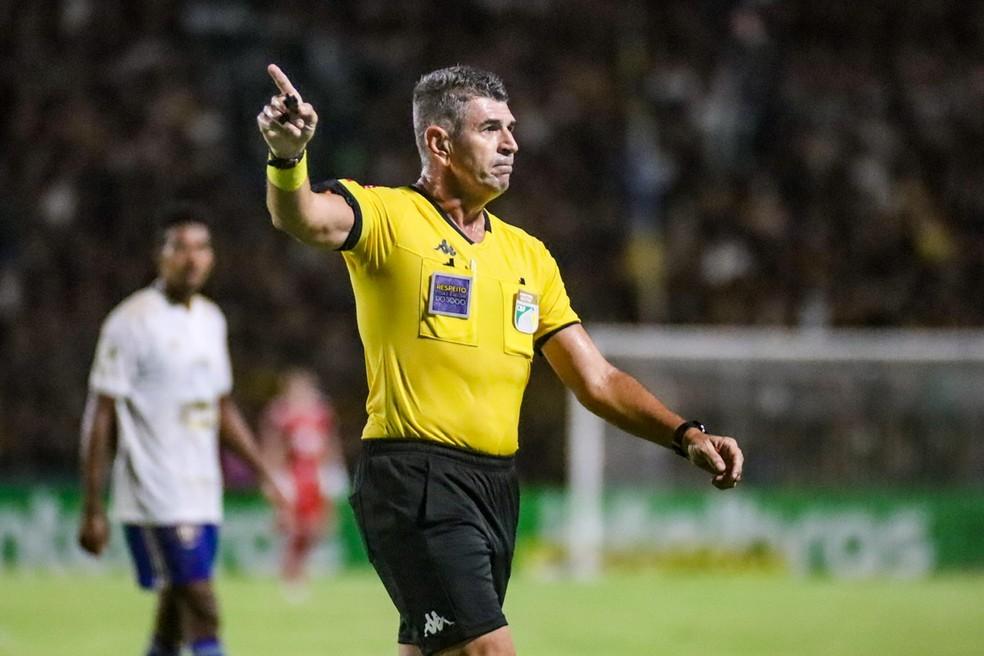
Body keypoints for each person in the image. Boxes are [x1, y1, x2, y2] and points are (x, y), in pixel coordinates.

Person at [256, 64, 744, 656]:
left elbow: (596, 379)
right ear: (439, 142)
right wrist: (288, 159)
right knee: (489, 649)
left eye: (510, 128)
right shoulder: (385, 216)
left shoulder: (528, 256)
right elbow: (302, 217)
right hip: (417, 479)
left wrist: (684, 433)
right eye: (491, 129)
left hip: (495, 488)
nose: (511, 142)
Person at [78, 204, 284, 656]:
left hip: (201, 490)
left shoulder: (212, 320)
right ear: (160, 255)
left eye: (201, 248)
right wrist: (92, 505)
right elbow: (101, 412)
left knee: (174, 615)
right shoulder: (130, 322)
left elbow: (221, 407)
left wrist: (265, 472)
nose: (192, 258)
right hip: (155, 491)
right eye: (180, 248)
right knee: (203, 604)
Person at [259, 367, 347, 594]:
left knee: (317, 528)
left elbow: (330, 442)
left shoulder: (321, 412)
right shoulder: (280, 413)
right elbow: (274, 446)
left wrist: (334, 470)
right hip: (291, 473)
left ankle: (298, 570)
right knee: (291, 525)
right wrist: (271, 477)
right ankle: (290, 574)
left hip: (314, 474)